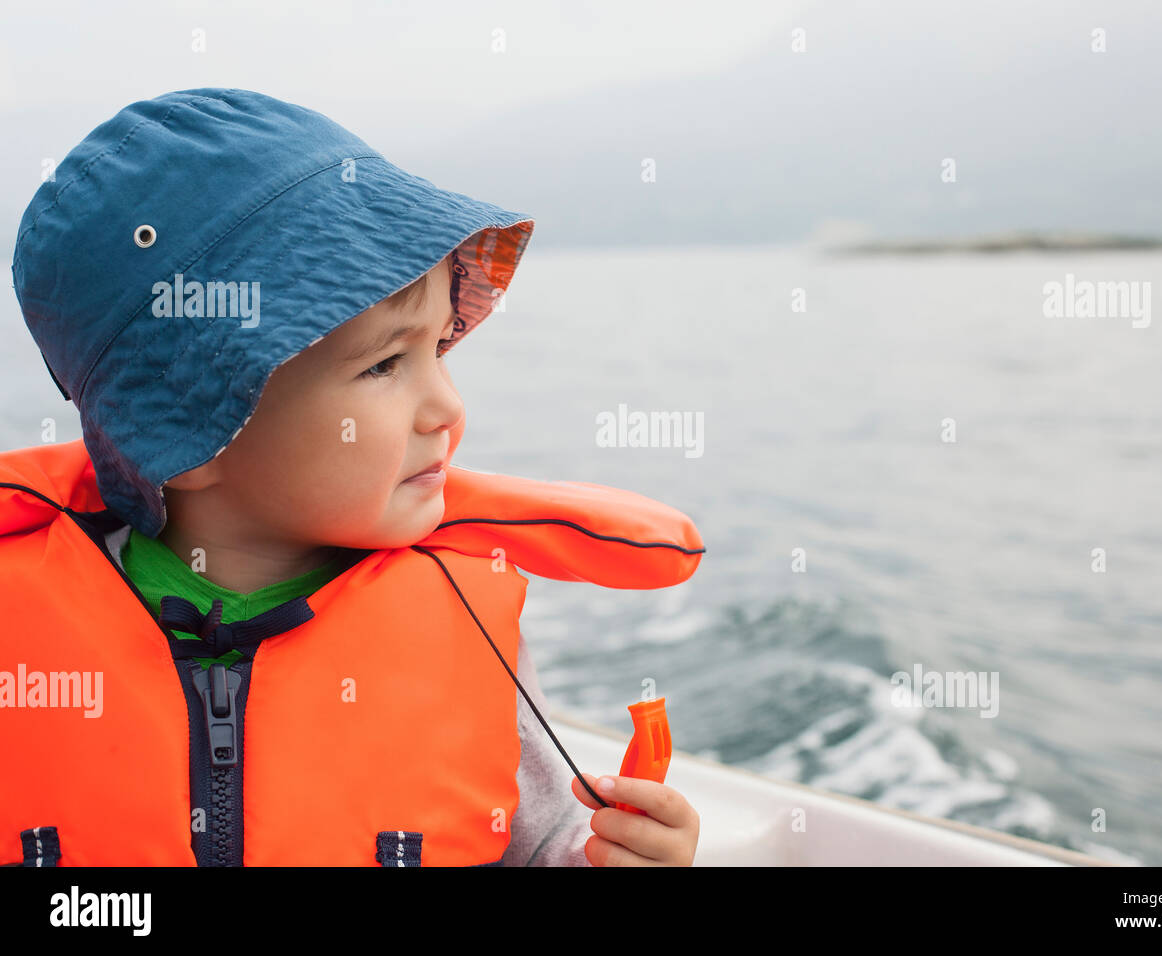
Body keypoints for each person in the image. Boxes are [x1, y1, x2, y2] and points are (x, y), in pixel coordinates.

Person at [0, 88, 703, 867]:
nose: (446, 406)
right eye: (382, 365)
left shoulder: (461, 620)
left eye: (437, 349)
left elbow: (536, 845)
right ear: (193, 439)